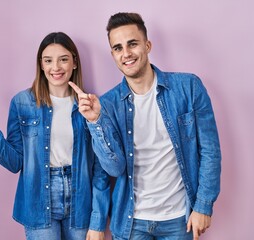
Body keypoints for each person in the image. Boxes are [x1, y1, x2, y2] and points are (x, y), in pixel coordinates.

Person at [69, 12, 221, 240]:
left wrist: (203, 205)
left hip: (179, 220)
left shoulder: (188, 87)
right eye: (118, 48)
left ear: (147, 45)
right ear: (113, 55)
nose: (126, 54)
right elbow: (112, 169)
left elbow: (210, 151)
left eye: (132, 44)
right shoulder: (106, 105)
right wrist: (95, 122)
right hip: (132, 223)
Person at [0, 32, 110, 240]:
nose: (55, 67)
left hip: (81, 201)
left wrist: (98, 221)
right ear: (41, 65)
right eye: (48, 60)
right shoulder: (22, 103)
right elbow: (14, 163)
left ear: (74, 63)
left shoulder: (89, 105)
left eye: (63, 59)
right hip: (38, 200)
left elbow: (100, 169)